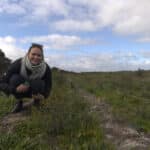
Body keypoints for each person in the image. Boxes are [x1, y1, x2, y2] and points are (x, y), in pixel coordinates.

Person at [0, 43, 52, 113]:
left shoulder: (46, 68)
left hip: (35, 92)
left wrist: (44, 96)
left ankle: (36, 102)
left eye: (39, 55)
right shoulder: (18, 63)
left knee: (40, 83)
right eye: (33, 54)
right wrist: (14, 90)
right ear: (28, 54)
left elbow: (49, 85)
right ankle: (19, 103)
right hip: (20, 90)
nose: (36, 57)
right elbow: (2, 83)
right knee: (14, 79)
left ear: (42, 57)